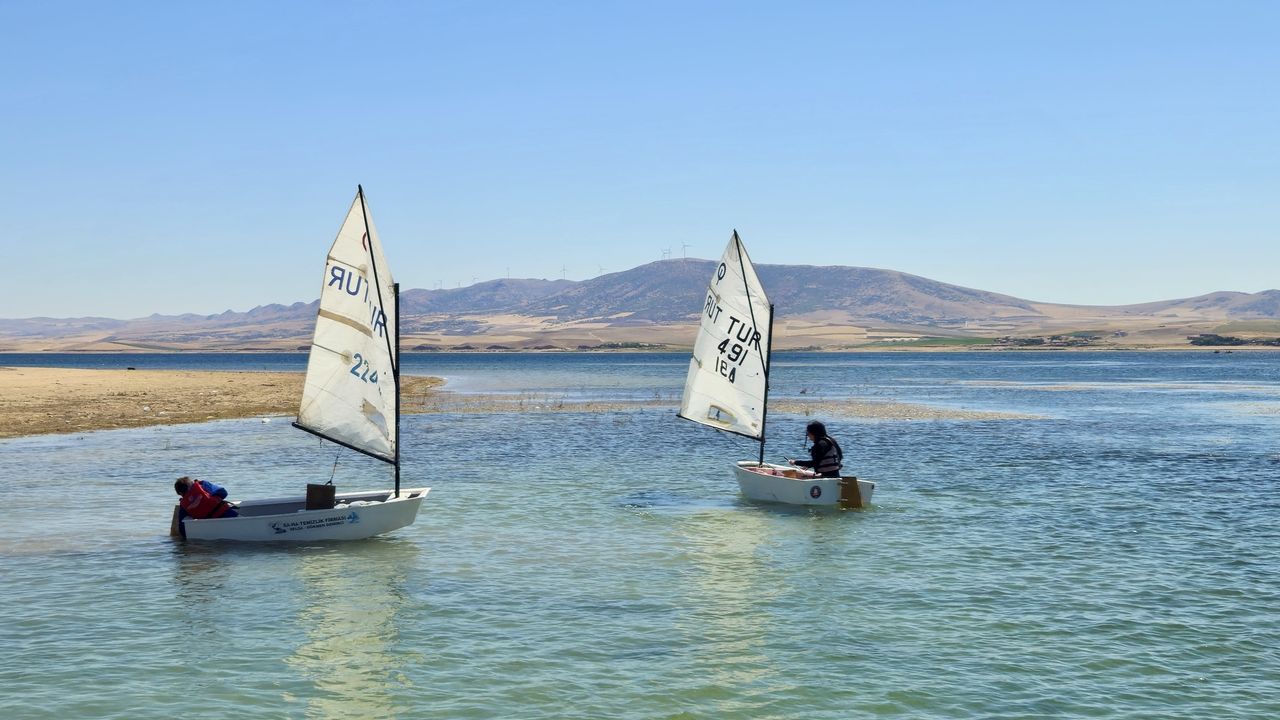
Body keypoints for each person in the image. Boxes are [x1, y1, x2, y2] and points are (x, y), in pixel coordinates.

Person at [174, 476, 238, 530]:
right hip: (227, 514)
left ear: (180, 493)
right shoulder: (203, 484)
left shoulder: (183, 504)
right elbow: (224, 493)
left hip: (208, 526)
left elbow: (182, 527)